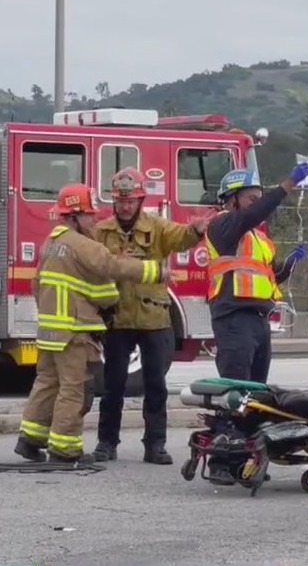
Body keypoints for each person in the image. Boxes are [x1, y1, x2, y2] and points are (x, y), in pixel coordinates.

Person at [14, 184, 168, 465]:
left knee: (47, 383)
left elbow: (38, 284)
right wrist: (155, 270)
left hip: (49, 331)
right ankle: (65, 449)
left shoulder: (51, 242)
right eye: (88, 215)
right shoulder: (81, 244)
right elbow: (111, 266)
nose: (94, 220)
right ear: (74, 216)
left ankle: (30, 440)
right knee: (75, 388)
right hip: (74, 331)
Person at [91, 168, 209, 465]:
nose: (126, 206)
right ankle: (107, 443)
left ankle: (155, 444)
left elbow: (181, 238)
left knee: (155, 386)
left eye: (131, 201)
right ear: (114, 201)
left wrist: (195, 230)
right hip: (118, 319)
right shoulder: (101, 231)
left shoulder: (157, 227)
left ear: (141, 199)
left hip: (155, 319)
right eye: (121, 201)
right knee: (112, 387)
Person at [205, 162, 308, 384]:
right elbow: (252, 215)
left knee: (257, 391)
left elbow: (269, 275)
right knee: (237, 389)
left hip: (259, 319)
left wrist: (290, 263)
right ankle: (230, 420)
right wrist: (289, 184)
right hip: (234, 318)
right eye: (253, 199)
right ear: (233, 200)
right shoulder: (221, 225)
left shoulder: (258, 238)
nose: (258, 205)